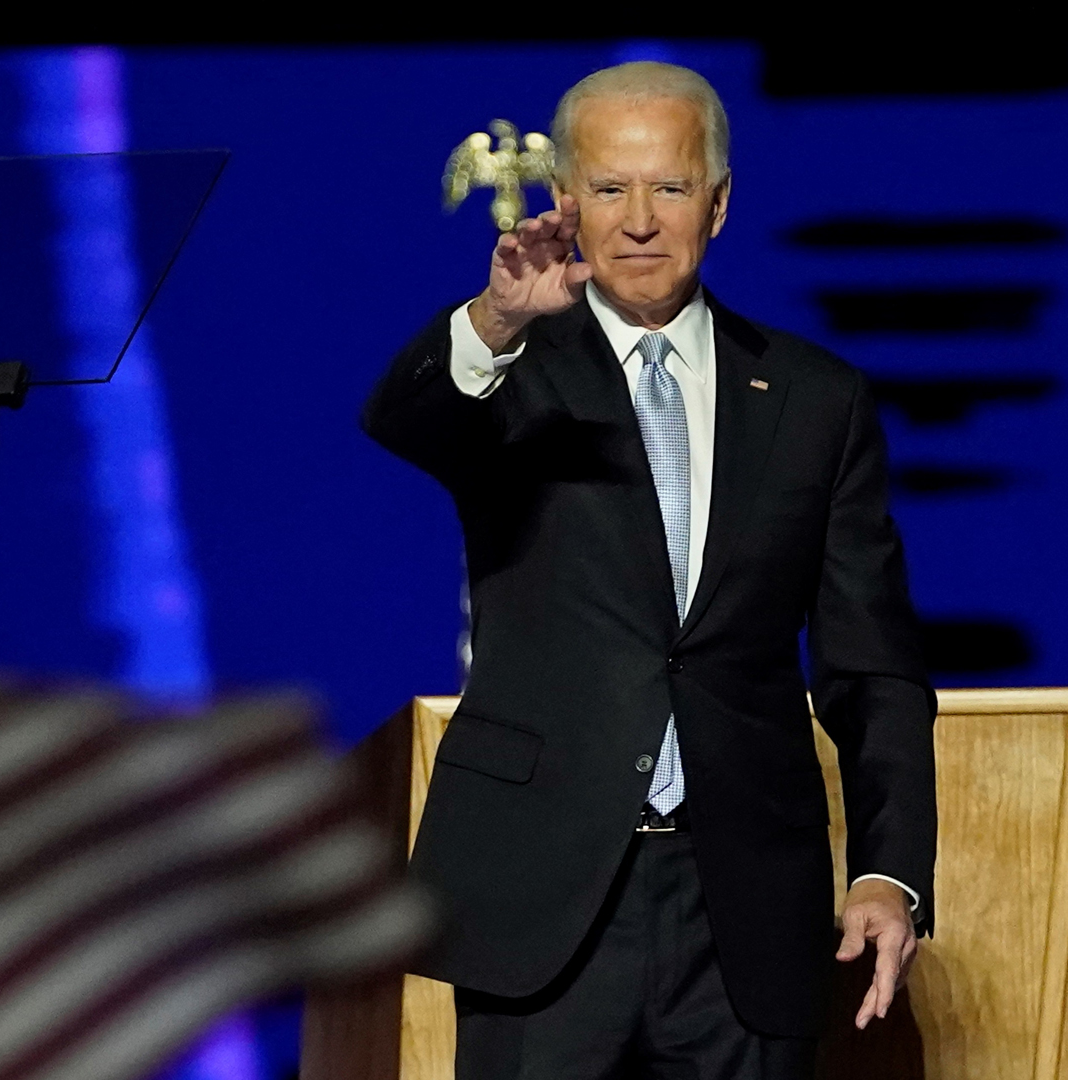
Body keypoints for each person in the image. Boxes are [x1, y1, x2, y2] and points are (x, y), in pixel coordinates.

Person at [361, 62, 937, 1079]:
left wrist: (890, 870)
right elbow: (405, 420)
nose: (638, 221)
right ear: (566, 201)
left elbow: (873, 663)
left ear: (719, 202)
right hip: (542, 900)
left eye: (669, 187)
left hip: (744, 907)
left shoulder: (816, 398)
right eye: (609, 189)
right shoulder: (510, 364)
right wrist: (496, 320)